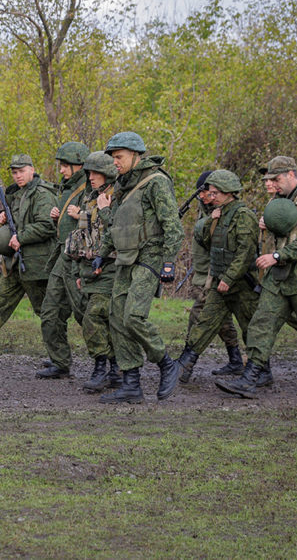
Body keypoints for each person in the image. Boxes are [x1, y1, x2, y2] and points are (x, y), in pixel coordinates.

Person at [216, 156, 297, 400]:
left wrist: (276, 255)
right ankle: (251, 377)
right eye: (269, 180)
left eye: (276, 179)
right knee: (261, 323)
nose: (273, 185)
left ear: (291, 174)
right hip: (278, 279)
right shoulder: (279, 202)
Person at [95, 132, 184, 404]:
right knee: (117, 316)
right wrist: (101, 254)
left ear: (136, 155)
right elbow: (117, 224)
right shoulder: (122, 184)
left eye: (119, 157)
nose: (115, 163)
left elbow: (173, 226)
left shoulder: (156, 182)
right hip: (125, 257)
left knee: (133, 316)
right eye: (113, 158)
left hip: (151, 255)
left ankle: (167, 364)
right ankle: (131, 382)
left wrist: (169, 262)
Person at [176, 170, 259, 383]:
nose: (206, 197)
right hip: (212, 277)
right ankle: (187, 366)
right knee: (210, 319)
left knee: (246, 323)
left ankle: (257, 367)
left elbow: (245, 251)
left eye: (212, 193)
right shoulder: (215, 214)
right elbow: (204, 239)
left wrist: (228, 278)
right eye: (207, 192)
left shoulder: (240, 215)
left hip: (228, 279)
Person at [0, 154, 56, 364]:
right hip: (15, 264)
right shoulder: (17, 194)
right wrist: (2, 213)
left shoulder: (42, 194)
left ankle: (59, 358)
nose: (18, 176)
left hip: (35, 264)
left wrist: (22, 237)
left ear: (32, 169)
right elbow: (16, 219)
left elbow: (47, 226)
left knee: (46, 311)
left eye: (22, 171)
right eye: (14, 172)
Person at [65, 151, 119, 392]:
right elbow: (82, 236)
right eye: (89, 172)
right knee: (92, 316)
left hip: (111, 267)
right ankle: (113, 366)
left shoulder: (118, 197)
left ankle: (102, 365)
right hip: (88, 267)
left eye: (96, 172)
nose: (91, 176)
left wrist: (106, 210)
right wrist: (78, 271)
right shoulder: (89, 198)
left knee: (94, 316)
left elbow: (121, 233)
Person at [35, 142, 90, 378]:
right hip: (63, 254)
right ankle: (60, 360)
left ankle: (111, 362)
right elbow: (62, 225)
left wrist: (81, 216)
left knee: (85, 312)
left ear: (80, 165)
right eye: (61, 165)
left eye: (66, 166)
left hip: (81, 258)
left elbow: (102, 222)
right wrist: (56, 218)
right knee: (50, 310)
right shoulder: (66, 188)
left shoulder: (91, 188)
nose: (61, 170)